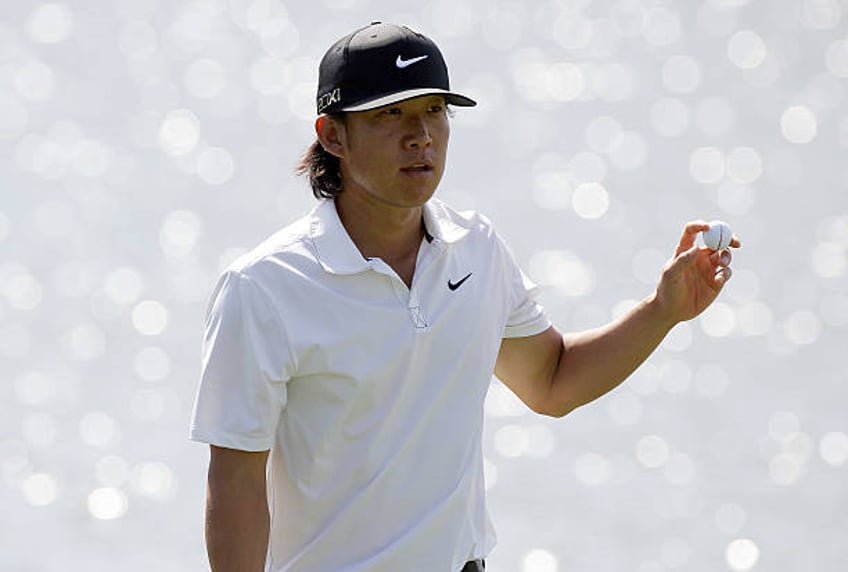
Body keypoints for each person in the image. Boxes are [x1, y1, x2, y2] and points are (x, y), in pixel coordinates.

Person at [189, 22, 739, 572]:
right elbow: (234, 481)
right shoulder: (263, 287)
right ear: (333, 136)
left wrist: (662, 311)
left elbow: (551, 380)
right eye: (390, 114)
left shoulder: (476, 249)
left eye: (433, 111)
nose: (419, 136)